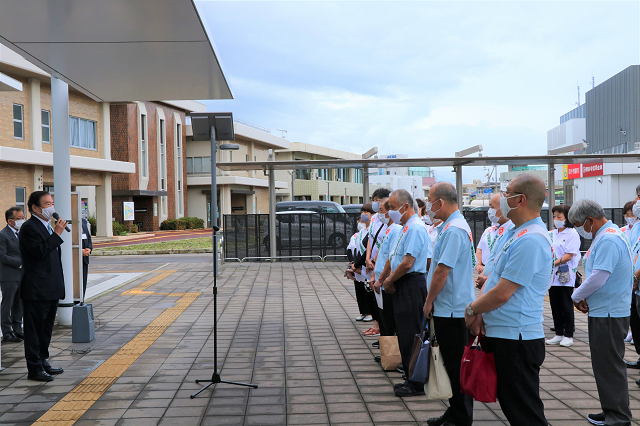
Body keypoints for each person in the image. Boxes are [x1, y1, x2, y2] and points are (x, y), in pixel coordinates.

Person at [464, 174, 552, 426]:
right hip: (504, 333)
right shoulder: (514, 232)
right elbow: (493, 279)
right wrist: (481, 312)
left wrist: (472, 309)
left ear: (521, 199)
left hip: (518, 337)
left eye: (507, 193)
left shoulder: (531, 239)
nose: (502, 198)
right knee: (516, 406)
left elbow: (503, 292)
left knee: (524, 411)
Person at [569, 199, 633, 426]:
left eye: (578, 224)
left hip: (609, 313)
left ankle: (618, 417)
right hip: (605, 310)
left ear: (589, 220)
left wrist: (575, 295)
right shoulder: (607, 235)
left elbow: (599, 276)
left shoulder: (609, 239)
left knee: (609, 366)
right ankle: (611, 410)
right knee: (604, 365)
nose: (579, 229)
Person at [423, 182, 475, 426]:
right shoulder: (450, 226)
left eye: (430, 201)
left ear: (440, 202)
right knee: (451, 365)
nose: (429, 207)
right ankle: (454, 412)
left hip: (452, 310)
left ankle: (461, 417)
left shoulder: (454, 229)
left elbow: (442, 271)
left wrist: (428, 300)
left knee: (456, 367)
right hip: (449, 308)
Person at [380, 189, 431, 397]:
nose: (390, 212)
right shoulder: (406, 227)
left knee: (411, 334)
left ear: (406, 206)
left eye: (392, 208)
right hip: (405, 284)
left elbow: (408, 263)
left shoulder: (416, 228)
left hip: (411, 284)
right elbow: (395, 257)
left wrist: (389, 280)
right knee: (405, 332)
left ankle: (416, 382)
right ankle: (410, 376)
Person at [20, 191, 67, 382]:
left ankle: (43, 360)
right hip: (36, 289)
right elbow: (39, 252)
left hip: (51, 287)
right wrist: (56, 234)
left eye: (52, 203)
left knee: (46, 328)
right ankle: (34, 368)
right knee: (34, 330)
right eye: (47, 204)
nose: (51, 207)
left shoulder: (46, 227)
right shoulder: (29, 228)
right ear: (35, 208)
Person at [545, 204, 581, 348]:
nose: (556, 219)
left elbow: (569, 255)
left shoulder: (572, 233)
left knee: (566, 305)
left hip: (565, 274)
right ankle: (558, 333)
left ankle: (568, 335)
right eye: (554, 217)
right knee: (554, 305)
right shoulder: (552, 233)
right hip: (552, 275)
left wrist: (553, 263)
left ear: (567, 218)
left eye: (559, 216)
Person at [373, 198, 400, 337]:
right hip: (380, 280)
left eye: (381, 210)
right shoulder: (388, 229)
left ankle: (390, 350)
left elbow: (392, 258)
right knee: (383, 317)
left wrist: (382, 278)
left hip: (386, 282)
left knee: (389, 320)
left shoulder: (396, 230)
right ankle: (385, 346)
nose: (379, 213)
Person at [475, 193, 514, 290]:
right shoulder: (498, 229)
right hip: (489, 284)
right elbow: (492, 256)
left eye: (491, 207)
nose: (489, 211)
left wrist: (487, 280)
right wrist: (483, 275)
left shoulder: (511, 230)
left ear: (503, 208)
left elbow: (504, 265)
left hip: (496, 287)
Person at [0, 207, 25, 343]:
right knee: (7, 303)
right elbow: (2, 256)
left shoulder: (21, 233)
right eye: (19, 219)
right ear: (10, 221)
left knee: (19, 303)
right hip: (9, 275)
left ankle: (17, 329)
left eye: (23, 218)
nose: (22, 220)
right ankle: (7, 331)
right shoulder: (3, 235)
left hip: (21, 275)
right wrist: (21, 262)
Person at [81, 216, 93, 297]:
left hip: (84, 258)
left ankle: (82, 300)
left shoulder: (82, 221)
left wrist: (89, 248)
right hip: (74, 258)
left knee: (83, 282)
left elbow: (88, 236)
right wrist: (79, 251)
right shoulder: (67, 220)